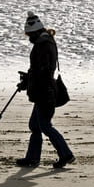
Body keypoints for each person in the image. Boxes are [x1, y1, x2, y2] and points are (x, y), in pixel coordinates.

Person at [16, 12, 75, 169]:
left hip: (45, 91)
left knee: (44, 125)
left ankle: (66, 154)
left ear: (35, 32)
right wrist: (28, 80)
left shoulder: (44, 44)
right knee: (36, 125)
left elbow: (43, 70)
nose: (28, 37)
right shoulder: (44, 42)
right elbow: (38, 70)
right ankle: (33, 158)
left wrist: (30, 80)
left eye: (29, 34)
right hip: (43, 90)